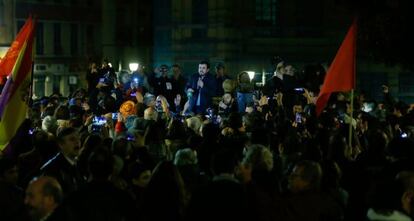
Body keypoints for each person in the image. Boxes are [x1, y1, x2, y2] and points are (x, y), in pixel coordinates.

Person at [40, 127, 85, 195]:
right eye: (72, 139)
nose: (77, 142)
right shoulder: (52, 169)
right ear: (61, 144)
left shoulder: (79, 164)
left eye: (78, 138)